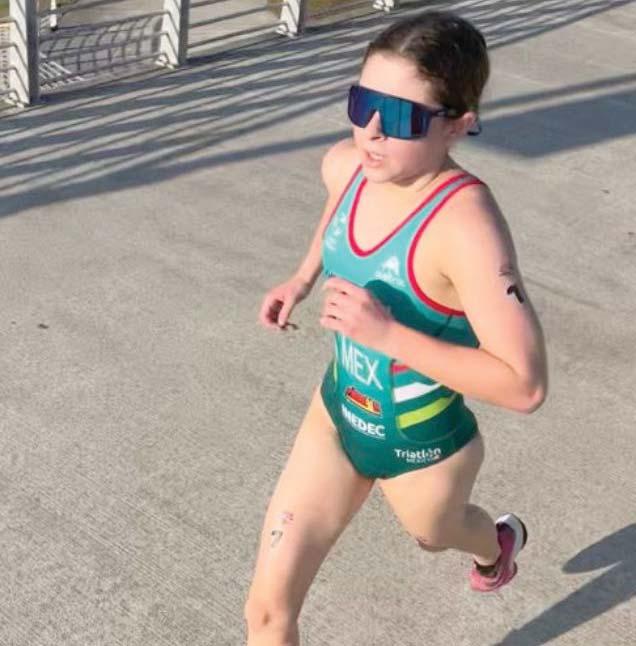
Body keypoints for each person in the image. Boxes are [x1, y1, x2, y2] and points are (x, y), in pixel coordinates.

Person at [245, 10, 548, 646]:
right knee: (267, 613)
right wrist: (300, 277)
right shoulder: (348, 163)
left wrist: (388, 337)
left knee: (434, 534)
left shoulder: (465, 228)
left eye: (402, 116)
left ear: (458, 125)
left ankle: (495, 545)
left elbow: (525, 386)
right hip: (337, 415)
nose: (372, 131)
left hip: (424, 446)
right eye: (362, 104)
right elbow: (337, 209)